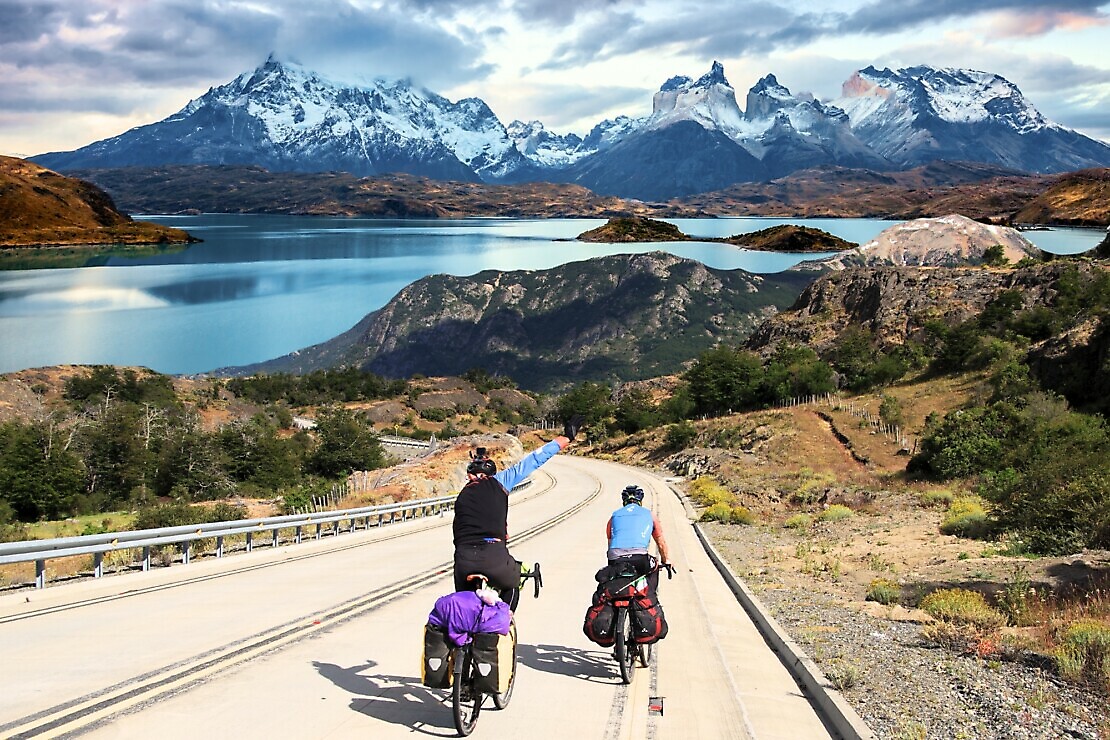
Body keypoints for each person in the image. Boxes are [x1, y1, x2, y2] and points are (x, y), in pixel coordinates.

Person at [453, 415, 585, 608]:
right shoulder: (500, 482)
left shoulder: (461, 496)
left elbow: (457, 533)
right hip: (493, 556)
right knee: (513, 582)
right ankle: (506, 620)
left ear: (469, 475)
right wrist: (566, 438)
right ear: (492, 473)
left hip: (463, 560)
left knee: (461, 602)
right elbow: (534, 459)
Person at [605, 484, 670, 598]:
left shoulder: (614, 516)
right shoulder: (649, 515)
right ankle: (650, 597)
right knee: (654, 566)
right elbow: (661, 543)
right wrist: (666, 560)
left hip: (615, 557)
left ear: (624, 501)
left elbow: (610, 543)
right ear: (640, 501)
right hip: (640, 557)